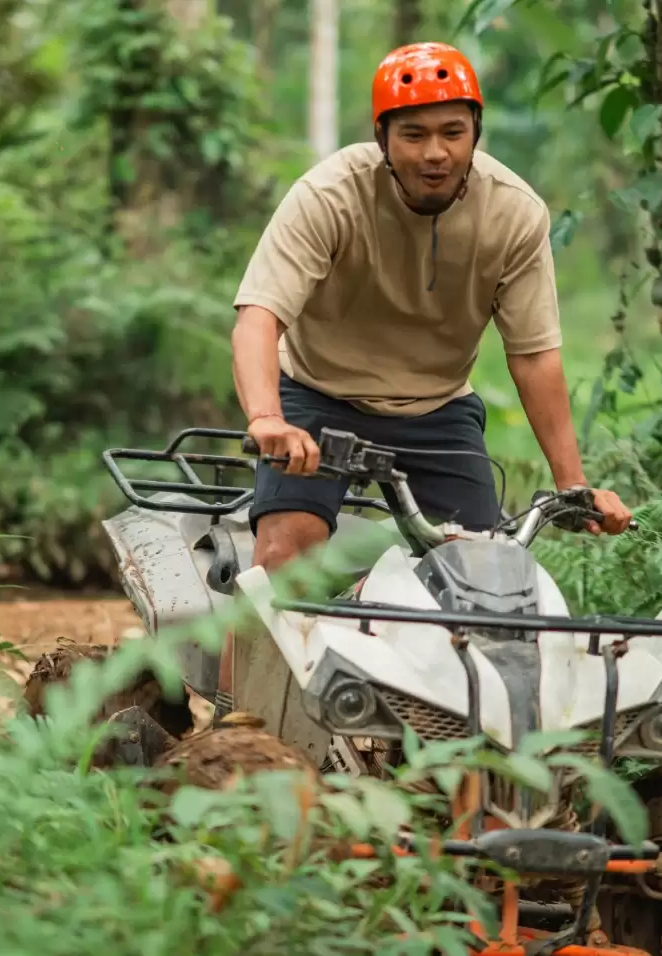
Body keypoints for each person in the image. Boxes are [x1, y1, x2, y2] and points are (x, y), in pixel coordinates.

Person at [229, 41, 632, 581]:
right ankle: (244, 666)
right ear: (382, 139)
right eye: (413, 135)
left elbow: (535, 356)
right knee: (282, 556)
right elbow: (259, 318)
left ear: (475, 134)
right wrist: (267, 418)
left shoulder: (514, 212)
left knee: (488, 577)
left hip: (437, 410)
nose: (434, 153)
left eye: (452, 132)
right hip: (318, 393)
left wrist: (572, 486)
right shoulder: (329, 195)